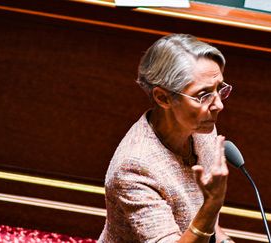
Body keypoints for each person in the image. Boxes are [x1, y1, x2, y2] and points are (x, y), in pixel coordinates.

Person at [98, 33, 234, 243]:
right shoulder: (134, 168)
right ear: (163, 98)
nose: (219, 105)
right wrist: (212, 203)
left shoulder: (201, 129)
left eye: (219, 89)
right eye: (203, 95)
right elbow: (205, 213)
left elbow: (206, 220)